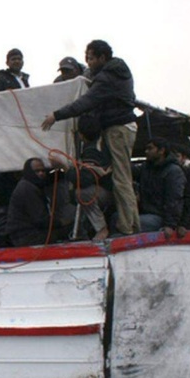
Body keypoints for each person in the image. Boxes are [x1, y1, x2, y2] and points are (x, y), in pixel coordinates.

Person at [42, 40, 140, 235]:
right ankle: (131, 225)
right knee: (123, 178)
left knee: (121, 180)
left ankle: (128, 228)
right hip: (124, 127)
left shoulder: (106, 78)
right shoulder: (118, 72)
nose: (88, 62)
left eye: (91, 58)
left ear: (103, 58)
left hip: (118, 129)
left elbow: (86, 101)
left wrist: (56, 115)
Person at [6, 158, 72, 246]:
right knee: (69, 229)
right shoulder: (28, 188)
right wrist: (61, 222)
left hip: (27, 233)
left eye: (43, 171)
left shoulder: (31, 184)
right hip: (26, 236)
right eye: (37, 171)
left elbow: (51, 177)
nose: (41, 173)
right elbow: (41, 220)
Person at [133, 138, 185, 236]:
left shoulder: (173, 171)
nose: (146, 152)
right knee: (116, 218)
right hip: (146, 212)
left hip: (160, 216)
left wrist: (170, 224)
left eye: (150, 148)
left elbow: (174, 200)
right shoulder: (146, 168)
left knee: (132, 224)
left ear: (161, 151)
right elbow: (132, 172)